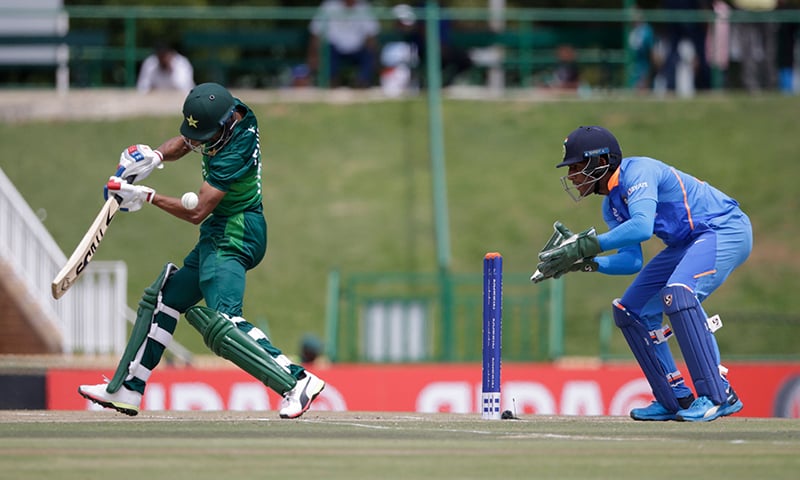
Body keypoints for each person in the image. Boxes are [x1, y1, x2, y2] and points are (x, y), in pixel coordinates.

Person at [78, 82, 325, 419]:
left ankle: (297, 381)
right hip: (218, 231)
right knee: (165, 298)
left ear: (225, 127)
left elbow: (197, 211)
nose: (196, 144)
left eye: (205, 137)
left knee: (224, 321)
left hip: (238, 232)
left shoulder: (237, 148)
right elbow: (189, 139)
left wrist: (146, 196)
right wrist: (155, 155)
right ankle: (129, 387)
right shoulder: (224, 110)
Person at [532, 126, 752, 422]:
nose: (572, 176)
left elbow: (642, 227)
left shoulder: (639, 172)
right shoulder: (612, 204)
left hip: (724, 229)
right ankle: (674, 398)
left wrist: (587, 244)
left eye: (576, 167)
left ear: (600, 162)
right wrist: (588, 261)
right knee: (629, 310)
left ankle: (718, 394)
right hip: (687, 241)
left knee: (679, 292)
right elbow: (631, 260)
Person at [307, 0, 380, 88]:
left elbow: (371, 36)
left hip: (358, 49)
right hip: (333, 48)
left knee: (369, 55)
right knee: (327, 54)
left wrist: (374, 56)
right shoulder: (329, 5)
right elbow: (316, 33)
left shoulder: (364, 7)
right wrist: (314, 55)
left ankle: (361, 86)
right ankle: (331, 86)